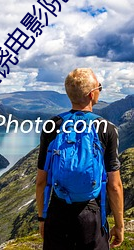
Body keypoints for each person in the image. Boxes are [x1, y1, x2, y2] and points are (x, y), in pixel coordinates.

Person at [36, 68, 124, 250]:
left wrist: (42, 218)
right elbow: (114, 185)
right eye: (100, 87)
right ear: (92, 94)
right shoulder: (106, 129)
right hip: (91, 215)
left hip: (58, 212)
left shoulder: (52, 125)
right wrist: (119, 225)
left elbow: (41, 181)